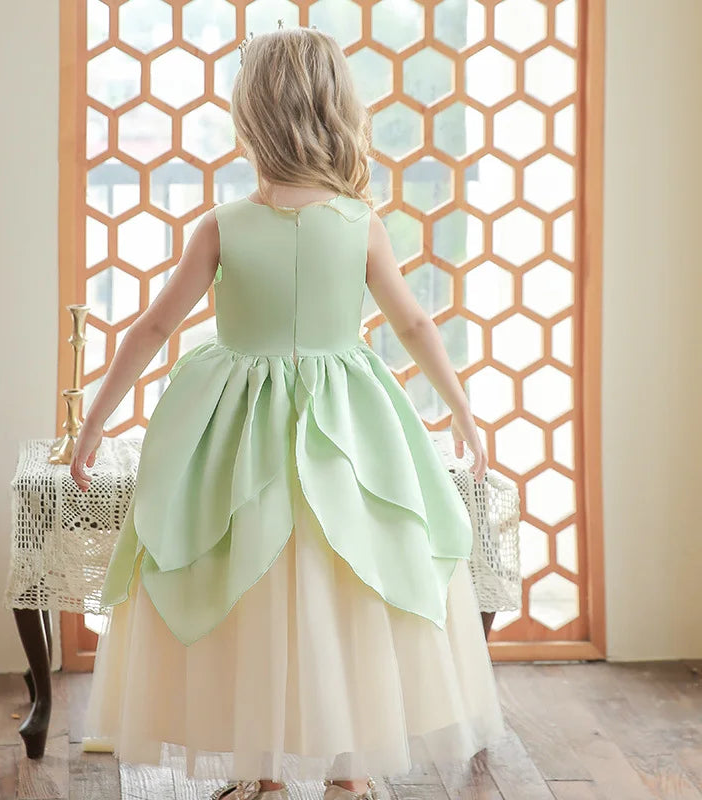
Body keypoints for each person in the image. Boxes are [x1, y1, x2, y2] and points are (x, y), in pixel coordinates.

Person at [72, 25, 506, 800]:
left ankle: (262, 772)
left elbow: (151, 328)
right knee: (351, 580)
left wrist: (97, 421)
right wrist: (464, 413)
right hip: (348, 424)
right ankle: (351, 772)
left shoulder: (222, 226)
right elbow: (414, 324)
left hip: (237, 430)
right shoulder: (360, 223)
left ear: (250, 117)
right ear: (339, 110)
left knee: (244, 578)